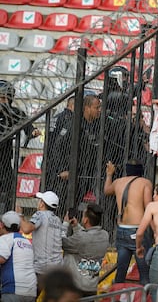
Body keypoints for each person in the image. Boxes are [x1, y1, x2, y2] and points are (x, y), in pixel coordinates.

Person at [104, 159, 152, 285]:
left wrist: (109, 174)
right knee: (145, 273)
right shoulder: (145, 183)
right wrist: (155, 231)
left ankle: (116, 297)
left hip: (122, 230)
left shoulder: (117, 182)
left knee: (121, 273)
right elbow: (149, 208)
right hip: (138, 231)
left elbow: (106, 190)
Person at [0, 80, 41, 213]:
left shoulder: (14, 113)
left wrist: (32, 131)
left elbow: (26, 123)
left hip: (4, 160)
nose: (3, 101)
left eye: (6, 98)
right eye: (1, 98)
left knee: (7, 192)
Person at [16, 191, 63, 292]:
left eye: (40, 201)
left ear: (42, 204)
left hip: (41, 268)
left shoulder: (40, 214)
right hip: (57, 268)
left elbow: (26, 229)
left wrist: (19, 214)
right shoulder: (58, 220)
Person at [62, 203, 109, 296]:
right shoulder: (105, 235)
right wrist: (76, 226)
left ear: (86, 219)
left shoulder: (81, 238)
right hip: (91, 286)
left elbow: (61, 242)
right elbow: (87, 237)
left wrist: (65, 224)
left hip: (76, 286)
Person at [0, 211, 37, 302]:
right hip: (31, 291)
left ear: (2, 225)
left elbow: (1, 259)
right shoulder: (26, 241)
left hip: (13, 290)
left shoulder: (5, 239)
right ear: (19, 227)